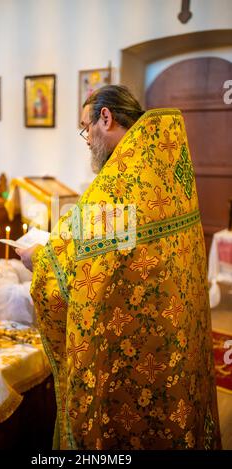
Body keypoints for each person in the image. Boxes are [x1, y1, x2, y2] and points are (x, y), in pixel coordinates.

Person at [16, 85, 221, 450]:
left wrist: (40, 259)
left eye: (85, 127)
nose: (86, 140)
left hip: (134, 355)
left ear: (105, 118)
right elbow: (113, 249)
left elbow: (78, 262)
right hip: (175, 334)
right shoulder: (162, 165)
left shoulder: (117, 186)